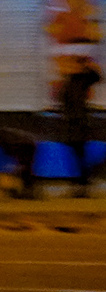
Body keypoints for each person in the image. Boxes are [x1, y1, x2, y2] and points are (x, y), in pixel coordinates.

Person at [56, 56, 100, 198]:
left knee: (80, 156)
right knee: (76, 156)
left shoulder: (82, 80)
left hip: (79, 124)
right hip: (71, 124)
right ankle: (80, 185)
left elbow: (97, 77)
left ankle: (82, 185)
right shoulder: (69, 82)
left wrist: (87, 65)